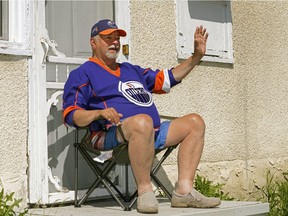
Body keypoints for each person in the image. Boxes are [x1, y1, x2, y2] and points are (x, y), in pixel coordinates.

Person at [63, 19, 221, 214]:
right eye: (108, 38)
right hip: (110, 137)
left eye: (117, 38)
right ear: (93, 43)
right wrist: (98, 113)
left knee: (195, 122)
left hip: (150, 134)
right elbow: (71, 115)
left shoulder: (130, 70)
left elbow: (167, 79)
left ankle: (184, 191)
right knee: (142, 121)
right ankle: (145, 191)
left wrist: (196, 57)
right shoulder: (83, 74)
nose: (114, 42)